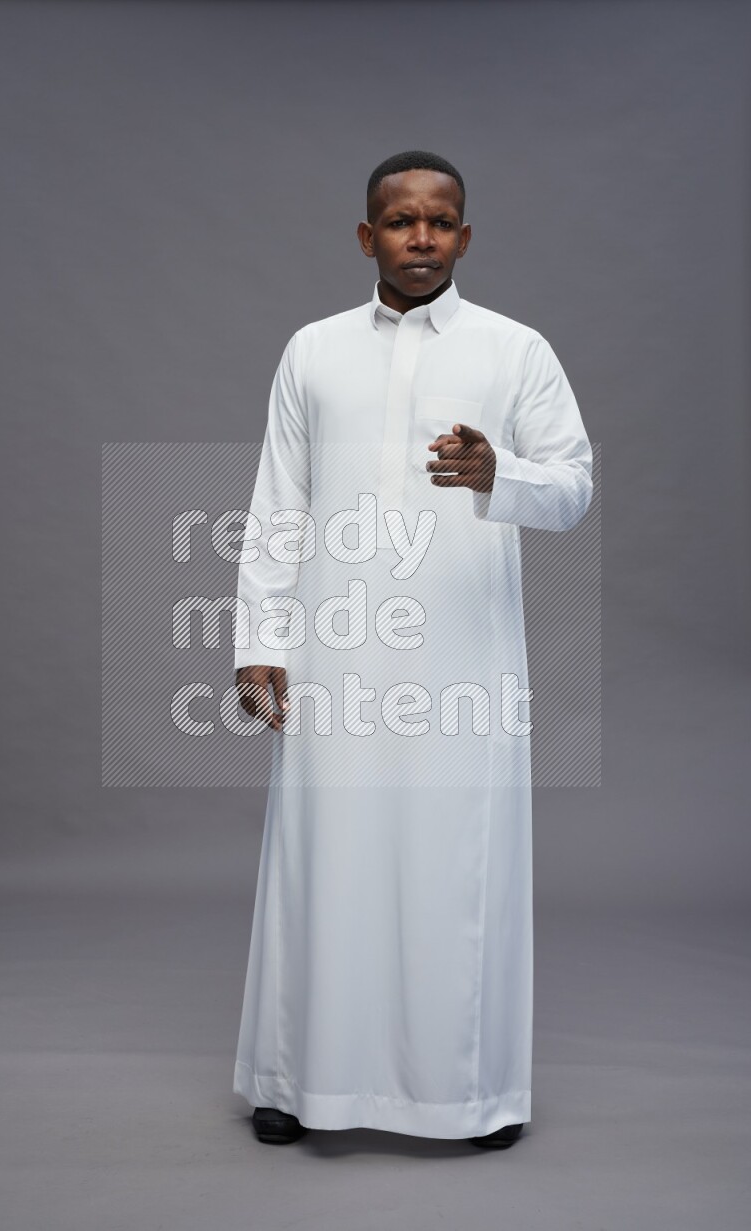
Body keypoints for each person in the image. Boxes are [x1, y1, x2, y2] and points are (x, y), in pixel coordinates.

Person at [231, 150, 593, 1147]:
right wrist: (259, 637)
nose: (421, 236)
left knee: (452, 868)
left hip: (460, 663)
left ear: (465, 238)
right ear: (366, 237)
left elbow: (570, 488)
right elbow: (278, 506)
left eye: (440, 221)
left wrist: (497, 472)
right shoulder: (312, 351)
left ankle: (465, 1093)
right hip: (335, 652)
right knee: (321, 860)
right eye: (400, 221)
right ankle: (293, 1080)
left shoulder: (515, 351)